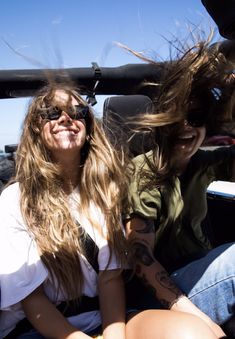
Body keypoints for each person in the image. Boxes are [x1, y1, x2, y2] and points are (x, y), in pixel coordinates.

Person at [0, 83, 223, 339]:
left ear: (88, 126)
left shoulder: (103, 192)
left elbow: (110, 280)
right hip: (42, 328)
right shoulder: (15, 199)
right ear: (36, 127)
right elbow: (33, 301)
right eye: (52, 112)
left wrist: (113, 336)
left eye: (77, 112)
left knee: (194, 333)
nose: (65, 118)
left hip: (107, 318)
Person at [123, 37, 235, 338]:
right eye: (177, 117)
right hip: (160, 299)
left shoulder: (205, 162)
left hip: (198, 275)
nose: (186, 126)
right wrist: (199, 318)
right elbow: (141, 260)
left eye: (196, 117)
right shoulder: (145, 171)